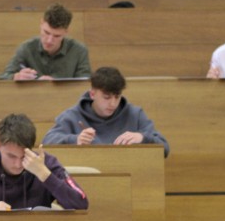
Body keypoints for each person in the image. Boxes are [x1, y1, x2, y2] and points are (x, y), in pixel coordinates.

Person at [42, 66, 170, 156]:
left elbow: (165, 148)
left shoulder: (135, 114)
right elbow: (46, 142)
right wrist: (75, 140)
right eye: (106, 97)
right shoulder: (72, 115)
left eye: (117, 97)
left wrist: (143, 137)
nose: (113, 103)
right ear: (92, 94)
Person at [0, 3, 91, 81]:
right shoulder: (26, 48)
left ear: (66, 32)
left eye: (57, 36)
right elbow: (3, 78)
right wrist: (16, 76)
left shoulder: (79, 51)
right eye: (46, 32)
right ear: (41, 23)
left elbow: (85, 84)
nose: (49, 40)